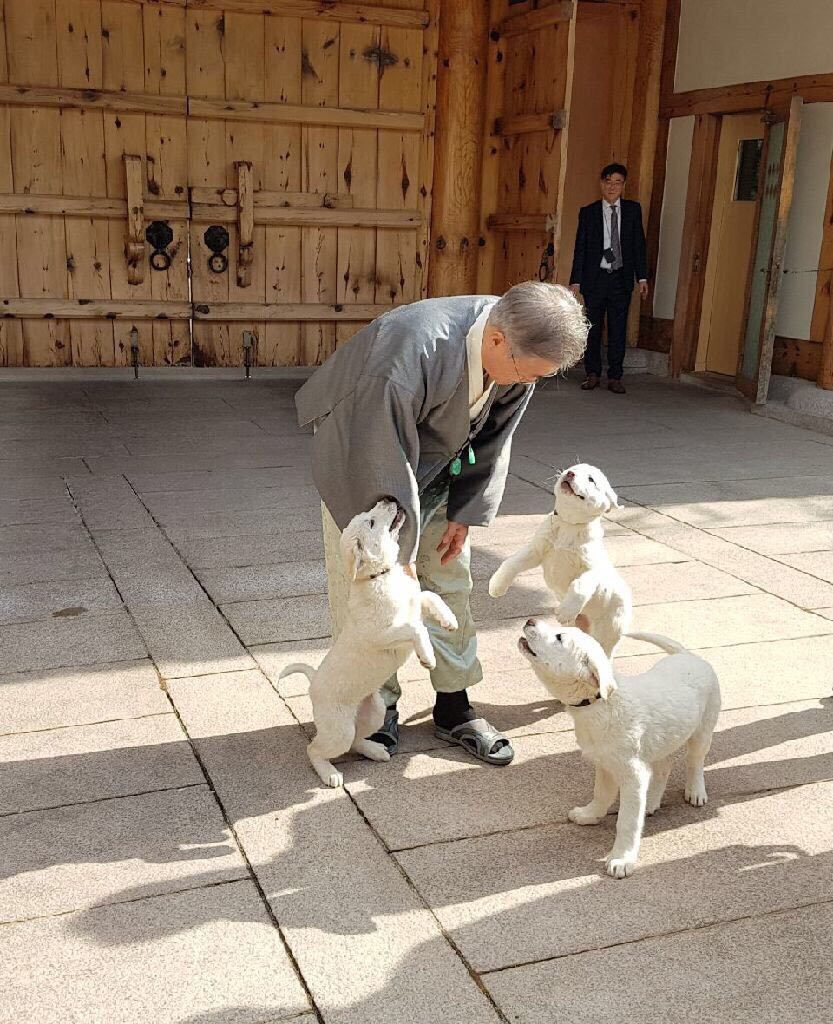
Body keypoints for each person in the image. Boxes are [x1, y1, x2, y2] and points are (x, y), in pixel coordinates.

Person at [295, 282, 588, 765]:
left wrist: (463, 512)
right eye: (526, 373)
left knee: (450, 585)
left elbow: (495, 435)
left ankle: (454, 706)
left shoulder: (518, 354)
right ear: (495, 341)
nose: (526, 383)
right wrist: (401, 557)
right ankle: (377, 707)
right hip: (362, 466)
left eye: (540, 377)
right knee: (373, 601)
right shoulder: (409, 351)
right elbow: (379, 457)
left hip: (439, 466)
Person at [570, 163, 648, 394]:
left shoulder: (633, 210)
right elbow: (580, 248)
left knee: (618, 328)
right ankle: (592, 373)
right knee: (592, 327)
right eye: (608, 181)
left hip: (620, 278)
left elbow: (638, 246)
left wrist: (642, 277)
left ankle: (615, 375)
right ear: (601, 183)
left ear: (623, 185)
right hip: (595, 278)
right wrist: (576, 281)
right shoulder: (589, 212)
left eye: (617, 182)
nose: (612, 186)